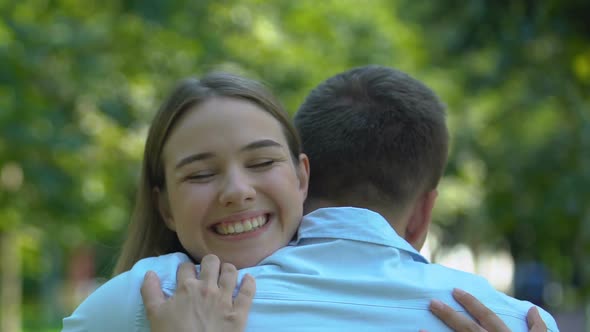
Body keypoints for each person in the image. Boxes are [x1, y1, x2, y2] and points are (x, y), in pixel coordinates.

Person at [62, 69, 557, 331]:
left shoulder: (135, 302)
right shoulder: (149, 300)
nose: (237, 191)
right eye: (201, 173)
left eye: (260, 162)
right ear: (164, 203)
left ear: (303, 178)